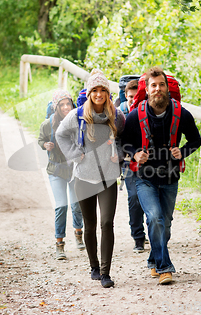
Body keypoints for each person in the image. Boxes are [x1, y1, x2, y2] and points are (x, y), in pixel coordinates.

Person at [121, 66, 201, 285]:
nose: (158, 89)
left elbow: (196, 140)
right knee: (155, 218)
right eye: (153, 85)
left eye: (161, 85)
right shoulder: (136, 115)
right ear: (146, 90)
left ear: (167, 88)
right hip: (144, 179)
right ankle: (165, 268)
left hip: (170, 177)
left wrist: (182, 152)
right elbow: (123, 143)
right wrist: (135, 153)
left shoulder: (181, 114)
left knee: (164, 225)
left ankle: (154, 260)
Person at [56, 69, 125, 288]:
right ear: (89, 92)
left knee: (107, 223)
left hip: (108, 178)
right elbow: (60, 134)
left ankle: (106, 273)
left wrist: (120, 154)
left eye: (102, 90)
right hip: (83, 178)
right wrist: (75, 154)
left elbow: (127, 140)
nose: (98, 94)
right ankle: (94, 266)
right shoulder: (77, 115)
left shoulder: (117, 115)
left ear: (107, 92)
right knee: (90, 225)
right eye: (94, 90)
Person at [38, 89, 85, 260]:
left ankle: (79, 232)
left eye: (68, 104)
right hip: (56, 170)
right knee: (61, 205)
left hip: (73, 169)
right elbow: (40, 140)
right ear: (56, 107)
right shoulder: (47, 124)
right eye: (62, 104)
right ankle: (60, 244)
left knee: (76, 203)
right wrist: (45, 145)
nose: (66, 107)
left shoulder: (77, 122)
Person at [118, 80, 146, 252]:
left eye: (136, 97)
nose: (132, 100)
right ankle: (138, 236)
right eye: (129, 97)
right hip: (128, 162)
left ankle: (152, 232)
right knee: (134, 197)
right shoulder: (121, 113)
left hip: (149, 161)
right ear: (125, 96)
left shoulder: (145, 112)